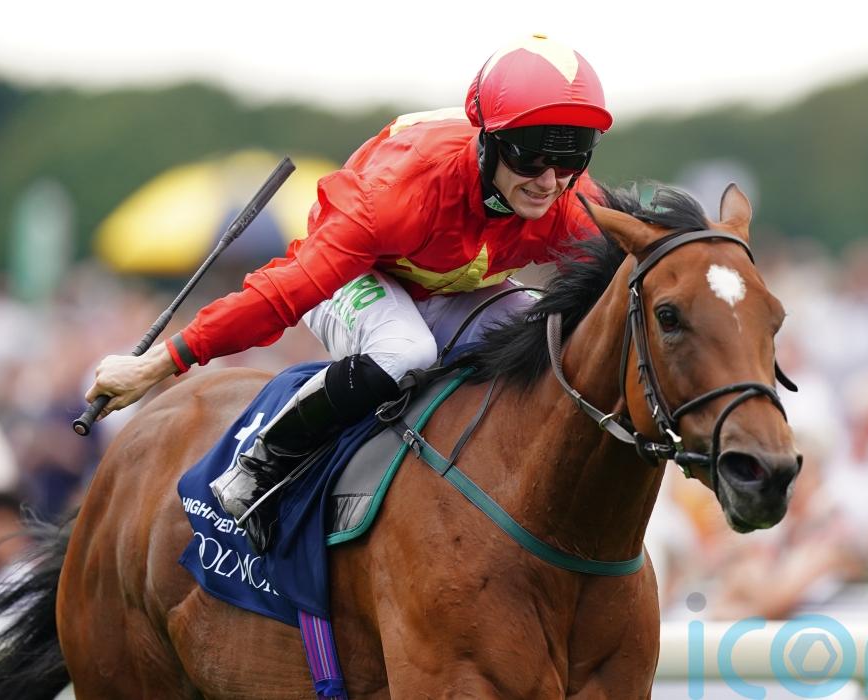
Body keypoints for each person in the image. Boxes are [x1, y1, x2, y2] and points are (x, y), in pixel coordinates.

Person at [86, 35, 614, 550]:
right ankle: (261, 464)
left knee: (546, 337)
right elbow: (281, 295)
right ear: (489, 142)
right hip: (357, 274)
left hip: (454, 285)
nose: (549, 182)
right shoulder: (396, 195)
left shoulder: (570, 201)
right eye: (530, 159)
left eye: (571, 160)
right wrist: (158, 363)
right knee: (407, 351)